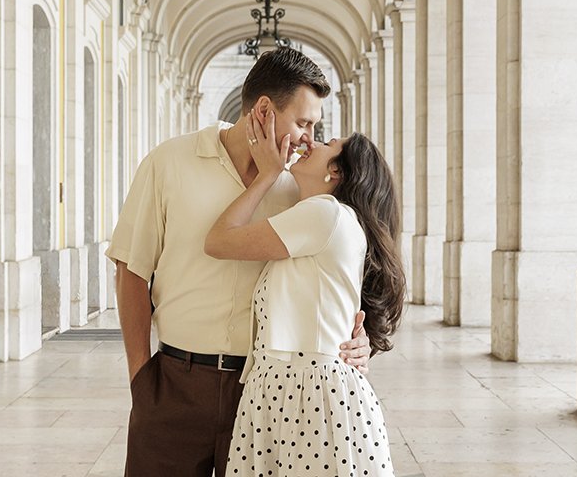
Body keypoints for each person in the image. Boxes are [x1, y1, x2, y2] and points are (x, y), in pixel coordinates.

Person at [108, 47, 373, 477]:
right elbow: (131, 268)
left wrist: (358, 342)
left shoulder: (302, 191)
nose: (310, 138)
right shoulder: (169, 162)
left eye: (315, 128)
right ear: (265, 110)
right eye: (304, 122)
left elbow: (340, 276)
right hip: (175, 383)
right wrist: (142, 379)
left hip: (264, 397)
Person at [206, 111, 405, 477]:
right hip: (294, 391)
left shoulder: (324, 213)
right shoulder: (325, 218)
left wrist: (267, 174)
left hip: (306, 396)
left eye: (328, 144)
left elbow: (219, 241)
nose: (311, 142)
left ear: (337, 173)